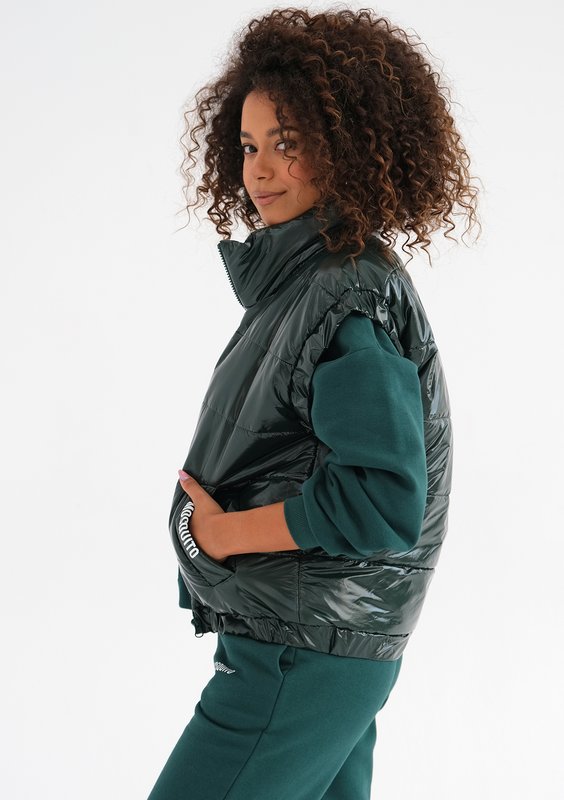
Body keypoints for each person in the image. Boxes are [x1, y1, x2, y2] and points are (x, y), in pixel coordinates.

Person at [147, 7, 480, 799]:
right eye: (249, 146)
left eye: (286, 143)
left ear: (345, 147)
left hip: (299, 653)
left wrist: (222, 534)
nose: (260, 171)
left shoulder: (346, 296)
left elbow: (381, 498)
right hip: (316, 643)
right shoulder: (313, 283)